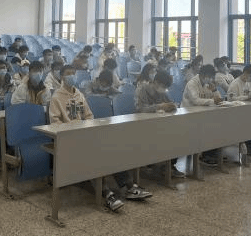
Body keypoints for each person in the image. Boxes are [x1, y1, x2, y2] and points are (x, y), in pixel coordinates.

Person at [49, 65, 151, 211]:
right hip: (69, 138)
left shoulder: (79, 94)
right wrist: (72, 130)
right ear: (62, 77)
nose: (71, 76)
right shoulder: (56, 97)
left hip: (84, 134)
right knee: (91, 155)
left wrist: (87, 127)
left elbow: (89, 115)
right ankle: (107, 194)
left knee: (108, 148)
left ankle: (129, 186)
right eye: (68, 74)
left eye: (73, 73)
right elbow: (55, 122)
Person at [134, 70, 184, 177]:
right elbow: (141, 109)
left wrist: (172, 106)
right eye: (163, 86)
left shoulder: (163, 92)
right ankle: (154, 164)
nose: (164, 89)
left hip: (160, 124)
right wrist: (159, 106)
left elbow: (170, 103)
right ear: (156, 82)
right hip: (144, 125)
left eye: (166, 87)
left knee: (177, 135)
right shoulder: (143, 89)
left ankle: (169, 165)